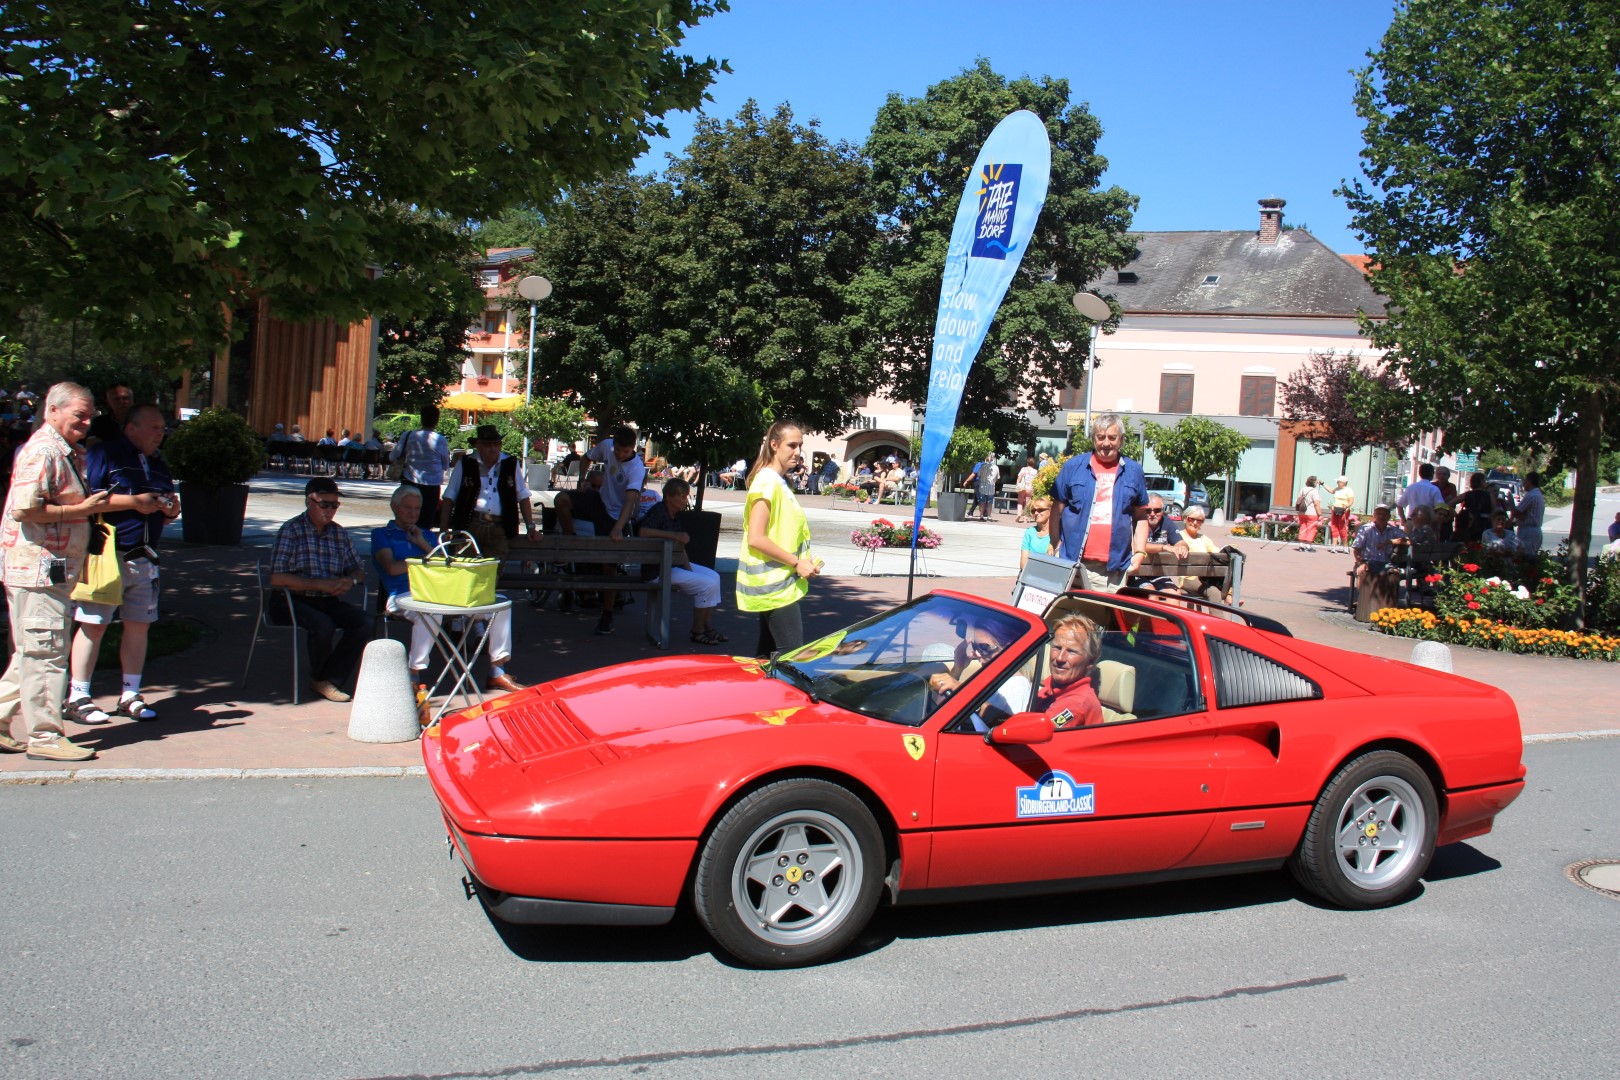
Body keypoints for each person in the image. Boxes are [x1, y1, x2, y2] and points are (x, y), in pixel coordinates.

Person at [0, 383, 112, 760]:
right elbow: (25, 509)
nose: (86, 420)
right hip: (37, 570)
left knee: (32, 651)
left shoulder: (63, 451)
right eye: (78, 413)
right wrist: (80, 511)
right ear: (52, 410)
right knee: (46, 653)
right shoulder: (45, 451)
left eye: (89, 413)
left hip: (48, 569)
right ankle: (45, 738)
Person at [64, 404, 180, 726]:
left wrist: (170, 509)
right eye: (154, 427)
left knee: (138, 625)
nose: (161, 433)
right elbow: (91, 499)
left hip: (146, 556)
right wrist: (134, 502)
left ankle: (130, 693)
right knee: (94, 624)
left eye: (162, 428)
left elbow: (166, 504)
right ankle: (79, 696)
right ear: (131, 428)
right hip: (107, 554)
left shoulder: (158, 463)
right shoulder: (107, 454)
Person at [373, 485, 521, 711]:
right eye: (407, 508)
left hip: (440, 592)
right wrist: (425, 561)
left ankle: (497, 670)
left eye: (417, 508)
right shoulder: (382, 535)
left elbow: (447, 566)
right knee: (430, 612)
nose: (413, 513)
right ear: (394, 508)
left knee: (500, 603)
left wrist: (422, 544)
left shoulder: (428, 536)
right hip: (403, 595)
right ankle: (414, 675)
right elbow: (391, 568)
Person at [268, 476, 370, 703]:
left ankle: (329, 678)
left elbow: (359, 569)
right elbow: (276, 578)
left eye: (335, 505)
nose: (330, 510)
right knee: (323, 625)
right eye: (324, 504)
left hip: (327, 600)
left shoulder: (339, 534)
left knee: (364, 622)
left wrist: (350, 581)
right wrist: (318, 584)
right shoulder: (291, 530)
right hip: (291, 600)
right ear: (309, 502)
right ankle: (321, 679)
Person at [737, 419, 819, 657]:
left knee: (768, 653)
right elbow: (756, 538)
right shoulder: (767, 482)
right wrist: (796, 562)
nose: (797, 452)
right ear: (774, 445)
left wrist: (803, 560)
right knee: (791, 655)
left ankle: (758, 693)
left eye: (800, 446)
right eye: (791, 445)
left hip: (778, 580)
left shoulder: (777, 482)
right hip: (774, 583)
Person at [1048, 413, 1150, 593]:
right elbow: (1057, 510)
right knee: (1073, 618)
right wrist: (1055, 544)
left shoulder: (1134, 471)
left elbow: (1141, 517)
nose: (1106, 443)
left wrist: (1140, 552)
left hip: (1115, 567)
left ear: (1121, 440)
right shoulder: (1074, 466)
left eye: (1112, 437)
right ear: (1093, 438)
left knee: (1105, 617)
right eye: (1100, 437)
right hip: (1074, 562)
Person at [635, 477, 727, 645]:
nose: (686, 500)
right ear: (669, 497)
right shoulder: (658, 510)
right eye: (682, 496)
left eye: (686, 496)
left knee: (714, 577)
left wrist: (687, 568)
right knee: (706, 584)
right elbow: (643, 531)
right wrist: (674, 535)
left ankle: (707, 626)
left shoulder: (674, 515)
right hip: (657, 570)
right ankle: (697, 631)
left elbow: (680, 546)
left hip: (672, 563)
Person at [582, 426, 647, 635]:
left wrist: (618, 527)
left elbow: (630, 500)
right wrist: (582, 480)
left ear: (633, 449)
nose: (620, 454)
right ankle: (566, 548)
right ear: (614, 444)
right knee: (563, 500)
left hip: (617, 514)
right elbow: (586, 457)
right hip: (600, 503)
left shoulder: (637, 468)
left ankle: (607, 614)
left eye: (625, 452)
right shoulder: (607, 446)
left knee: (609, 565)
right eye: (618, 450)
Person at [442, 424, 537, 564]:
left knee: (493, 573)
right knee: (466, 571)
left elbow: (522, 496)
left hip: (499, 527)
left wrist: (531, 527)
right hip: (470, 525)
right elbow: (450, 497)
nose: (493, 448)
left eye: (496, 443)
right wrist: (444, 530)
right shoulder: (466, 463)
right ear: (478, 445)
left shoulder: (510, 463)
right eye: (487, 445)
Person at [1032, 613, 1104, 729]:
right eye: (1057, 647)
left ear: (1090, 662)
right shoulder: (1050, 690)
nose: (1060, 658)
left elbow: (1035, 736)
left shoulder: (1076, 704)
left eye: (1072, 651)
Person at [392, 406, 451, 525]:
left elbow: (394, 456)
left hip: (410, 480)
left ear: (421, 418)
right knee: (426, 519)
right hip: (432, 485)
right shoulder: (440, 439)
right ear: (437, 420)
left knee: (406, 518)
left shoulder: (408, 435)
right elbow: (445, 464)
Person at [1175, 506, 1230, 602]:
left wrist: (1228, 550)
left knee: (1229, 573)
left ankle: (1229, 595)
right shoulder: (1178, 537)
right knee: (1214, 592)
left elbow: (1217, 552)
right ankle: (1218, 615)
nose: (1195, 523)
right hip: (1189, 578)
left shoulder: (1204, 538)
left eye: (1199, 520)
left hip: (1206, 576)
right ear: (1185, 519)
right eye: (1191, 519)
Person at [1352, 503, 1406, 583]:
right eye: (1379, 514)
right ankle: (1363, 595)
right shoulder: (1365, 529)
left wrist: (1389, 541)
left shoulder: (1393, 530)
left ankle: (1389, 595)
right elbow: (1356, 549)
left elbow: (1408, 540)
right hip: (1367, 561)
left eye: (1384, 514)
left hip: (1386, 563)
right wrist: (1361, 563)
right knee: (1362, 572)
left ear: (1389, 517)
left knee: (1394, 574)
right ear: (1374, 515)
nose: (1381, 516)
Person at [1455, 473, 1495, 544]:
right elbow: (1494, 512)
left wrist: (1456, 515)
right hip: (1485, 525)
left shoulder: (1467, 494)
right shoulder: (1489, 496)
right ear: (1481, 482)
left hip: (1469, 524)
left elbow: (1450, 503)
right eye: (1485, 481)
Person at [1512, 471, 1545, 556]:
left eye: (1525, 481)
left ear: (1529, 481)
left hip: (1528, 531)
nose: (1523, 483)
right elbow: (1525, 514)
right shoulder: (1538, 494)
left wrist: (1510, 502)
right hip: (1534, 530)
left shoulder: (1531, 495)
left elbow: (1517, 511)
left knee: (1524, 557)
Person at [1019, 496, 1055, 572]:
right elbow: (1023, 564)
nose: (1036, 513)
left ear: (1050, 511)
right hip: (1030, 574)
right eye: (1033, 511)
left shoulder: (1056, 534)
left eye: (1040, 510)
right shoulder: (1030, 532)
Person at [969, 451, 999, 521]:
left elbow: (979, 475)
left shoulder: (982, 466)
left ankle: (981, 515)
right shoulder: (995, 467)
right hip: (991, 486)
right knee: (989, 502)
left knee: (982, 501)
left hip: (982, 486)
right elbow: (997, 477)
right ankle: (989, 516)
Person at [1328, 476, 1356, 551]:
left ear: (1344, 483)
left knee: (1342, 527)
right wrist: (1323, 484)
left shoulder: (1348, 490)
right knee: (1334, 526)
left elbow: (1351, 500)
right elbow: (1331, 491)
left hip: (1344, 510)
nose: (1338, 483)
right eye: (1338, 482)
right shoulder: (1337, 489)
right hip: (1335, 509)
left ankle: (1345, 546)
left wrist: (1347, 505)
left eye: (1339, 482)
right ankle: (1334, 546)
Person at [1295, 475, 1322, 549]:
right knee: (1311, 528)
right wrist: (1320, 513)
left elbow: (1298, 500)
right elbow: (1316, 503)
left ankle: (1301, 544)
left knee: (1303, 526)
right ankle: (1308, 545)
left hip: (1302, 512)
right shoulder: (1314, 491)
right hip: (1312, 513)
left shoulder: (1302, 490)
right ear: (1315, 483)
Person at [1013, 456, 1039, 522]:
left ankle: (1019, 514)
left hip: (1022, 487)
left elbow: (1019, 477)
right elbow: (1036, 481)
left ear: (1027, 463)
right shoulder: (1035, 471)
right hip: (1030, 488)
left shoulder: (1023, 469)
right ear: (1034, 464)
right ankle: (1025, 518)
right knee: (1027, 504)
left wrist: (1017, 484)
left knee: (1020, 502)